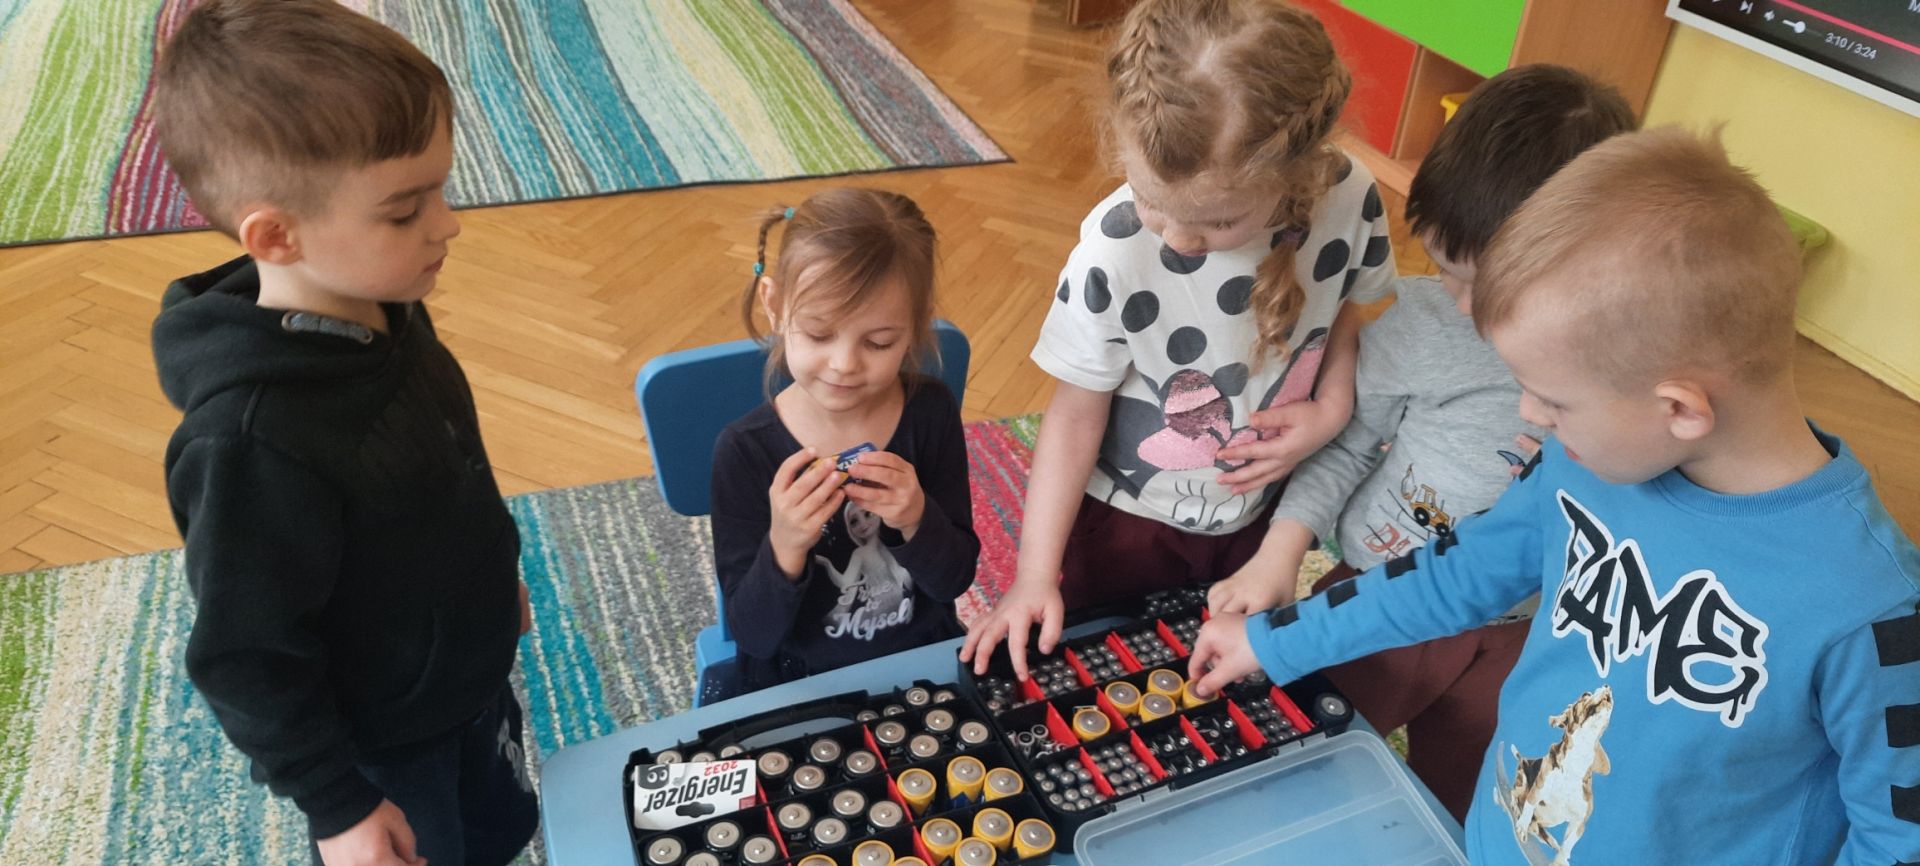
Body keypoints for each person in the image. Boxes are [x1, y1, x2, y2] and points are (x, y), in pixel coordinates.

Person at [1189, 127, 1920, 864]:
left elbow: (1898, 836)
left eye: (1553, 401)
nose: (1529, 415)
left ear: (1680, 408)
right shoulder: (1581, 465)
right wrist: (1273, 639)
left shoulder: (1871, 610)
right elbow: (1455, 574)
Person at [150, 2, 535, 864]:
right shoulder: (248, 446)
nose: (448, 223)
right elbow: (247, 656)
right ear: (276, 235)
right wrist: (338, 807)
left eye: (441, 189)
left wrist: (487, 583)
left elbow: (446, 471)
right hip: (387, 746)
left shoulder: (387, 307)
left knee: (499, 832)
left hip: (465, 681)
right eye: (404, 211)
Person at [1203, 65, 1636, 818]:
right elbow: (1345, 447)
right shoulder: (1422, 324)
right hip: (1374, 600)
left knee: (1461, 798)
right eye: (1444, 270)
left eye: (1487, 285)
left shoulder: (1626, 370)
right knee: (1298, 767)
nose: (1461, 304)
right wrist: (1280, 552)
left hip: (1518, 637)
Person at [962, 0, 1395, 679]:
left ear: (1297, 168)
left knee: (1227, 676)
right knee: (1099, 673)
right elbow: (1073, 416)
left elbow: (1342, 310)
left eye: (1217, 221)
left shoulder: (1350, 196)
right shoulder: (1113, 251)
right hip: (1124, 524)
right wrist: (1033, 575)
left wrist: (1331, 408)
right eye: (1150, 200)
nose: (1179, 237)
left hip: (1259, 510)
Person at [708, 188, 979, 701]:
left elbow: (953, 581)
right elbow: (754, 635)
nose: (844, 364)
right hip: (798, 681)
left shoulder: (930, 411)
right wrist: (785, 545)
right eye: (818, 334)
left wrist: (918, 519)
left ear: (915, 326)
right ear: (775, 305)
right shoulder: (744, 451)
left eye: (879, 342)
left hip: (923, 663)